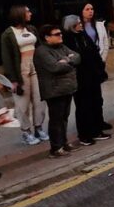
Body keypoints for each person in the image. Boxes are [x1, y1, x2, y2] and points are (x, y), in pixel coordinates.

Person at [1, 5, 47, 145]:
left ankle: (39, 127)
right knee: (22, 103)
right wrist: (13, 80)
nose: (30, 13)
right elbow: (7, 58)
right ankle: (26, 131)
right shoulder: (8, 34)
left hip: (36, 67)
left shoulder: (31, 29)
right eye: (27, 11)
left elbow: (39, 47)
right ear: (20, 14)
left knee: (40, 100)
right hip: (20, 70)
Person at [62, 14, 110, 146]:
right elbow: (74, 58)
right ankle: (84, 134)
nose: (81, 25)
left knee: (96, 102)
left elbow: (94, 51)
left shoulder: (83, 35)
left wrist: (100, 68)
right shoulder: (68, 39)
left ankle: (96, 130)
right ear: (71, 25)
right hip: (80, 77)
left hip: (93, 75)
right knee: (83, 106)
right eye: (78, 23)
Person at [34, 24, 80, 158]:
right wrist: (69, 60)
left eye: (61, 33)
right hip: (54, 90)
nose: (61, 36)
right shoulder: (42, 51)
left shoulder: (62, 47)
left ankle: (64, 143)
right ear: (47, 38)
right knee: (56, 119)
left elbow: (77, 57)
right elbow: (54, 67)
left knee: (64, 117)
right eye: (57, 34)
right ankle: (56, 148)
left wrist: (66, 60)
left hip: (66, 87)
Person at [79, 3, 111, 132]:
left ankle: (100, 120)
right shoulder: (78, 26)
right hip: (86, 65)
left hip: (98, 63)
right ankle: (91, 123)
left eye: (92, 9)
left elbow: (105, 43)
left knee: (98, 96)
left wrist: (101, 61)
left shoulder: (99, 25)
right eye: (87, 9)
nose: (90, 11)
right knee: (89, 96)